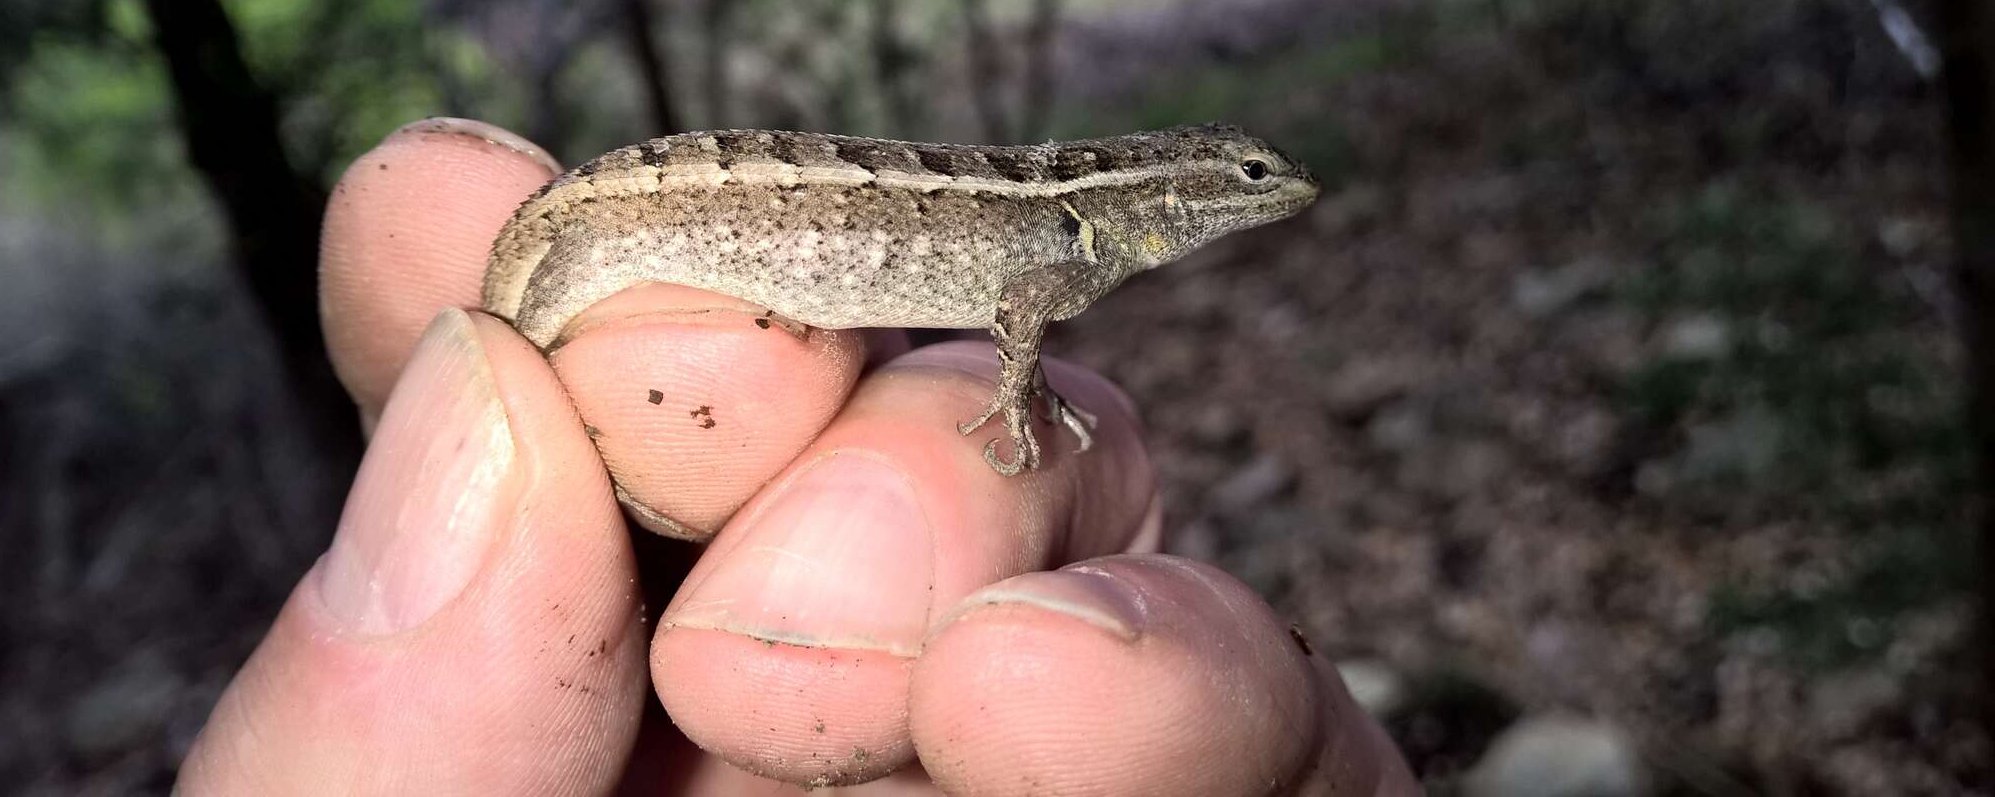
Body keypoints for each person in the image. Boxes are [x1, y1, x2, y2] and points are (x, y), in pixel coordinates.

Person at [175, 118, 1421, 796]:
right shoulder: (1065, 242)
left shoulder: (1080, 227)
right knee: (520, 394)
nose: (1270, 195)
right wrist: (1016, 385)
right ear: (1183, 190)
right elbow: (1020, 311)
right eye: (1250, 179)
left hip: (634, 231)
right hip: (628, 222)